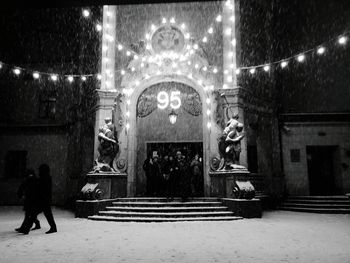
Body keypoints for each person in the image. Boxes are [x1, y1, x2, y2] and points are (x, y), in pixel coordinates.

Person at [19, 164, 57, 234]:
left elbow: (40, 187)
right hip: (44, 200)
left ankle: (26, 229)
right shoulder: (46, 177)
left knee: (34, 214)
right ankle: (53, 227)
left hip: (42, 200)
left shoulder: (43, 178)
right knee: (43, 215)